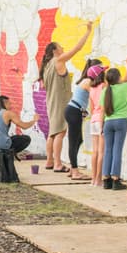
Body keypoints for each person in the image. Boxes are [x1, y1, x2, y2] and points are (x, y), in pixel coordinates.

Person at [39, 23, 93, 171]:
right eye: (60, 46)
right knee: (60, 132)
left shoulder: (46, 65)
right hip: (60, 101)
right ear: (55, 50)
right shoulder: (58, 61)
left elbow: (43, 86)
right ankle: (57, 164)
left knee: (53, 131)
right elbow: (77, 49)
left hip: (51, 101)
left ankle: (50, 161)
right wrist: (87, 32)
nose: (63, 48)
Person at [101, 59, 127, 191]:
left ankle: (106, 179)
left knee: (108, 151)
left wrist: (101, 126)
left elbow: (102, 111)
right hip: (121, 121)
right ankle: (116, 179)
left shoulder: (106, 91)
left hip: (107, 122)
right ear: (118, 78)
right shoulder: (123, 87)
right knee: (117, 150)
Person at [62, 58, 100, 182]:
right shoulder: (88, 81)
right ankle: (75, 171)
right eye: (100, 68)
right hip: (74, 111)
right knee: (74, 141)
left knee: (78, 140)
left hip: (75, 110)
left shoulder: (86, 80)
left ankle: (73, 169)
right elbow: (96, 94)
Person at [87, 65, 107, 187]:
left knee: (94, 151)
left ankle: (93, 179)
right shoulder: (104, 86)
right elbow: (104, 105)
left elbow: (91, 108)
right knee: (101, 152)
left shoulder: (91, 89)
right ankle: (99, 179)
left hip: (93, 120)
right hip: (101, 119)